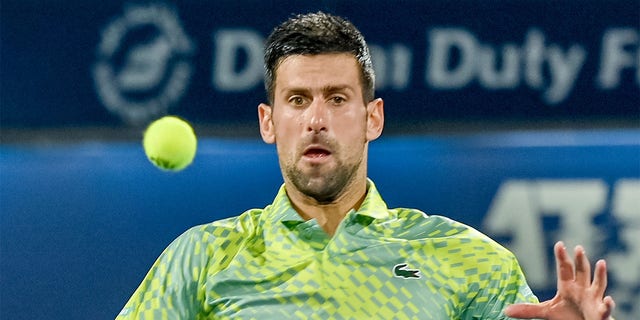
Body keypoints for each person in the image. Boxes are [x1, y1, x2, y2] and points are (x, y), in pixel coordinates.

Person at [116, 12, 615, 319]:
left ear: (372, 118)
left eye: (336, 98)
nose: (315, 120)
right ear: (268, 122)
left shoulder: (464, 259)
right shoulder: (203, 258)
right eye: (297, 99)